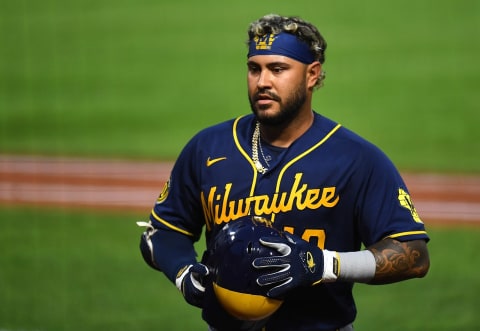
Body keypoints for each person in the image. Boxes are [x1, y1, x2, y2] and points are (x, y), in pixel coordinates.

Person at [137, 13, 430, 331]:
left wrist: (325, 264)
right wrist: (183, 273)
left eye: (278, 69)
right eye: (254, 68)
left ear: (312, 75)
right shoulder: (208, 148)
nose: (263, 82)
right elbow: (162, 233)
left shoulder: (356, 159)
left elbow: (413, 254)